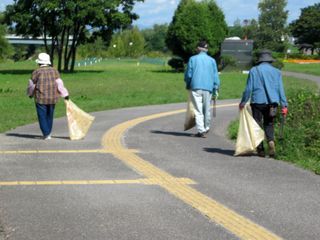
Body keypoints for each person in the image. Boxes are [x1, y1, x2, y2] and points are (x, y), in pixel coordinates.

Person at [239, 50, 288, 157]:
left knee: (257, 125)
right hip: (272, 102)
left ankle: (260, 149)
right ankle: (271, 141)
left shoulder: (254, 70)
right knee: (269, 123)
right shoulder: (277, 72)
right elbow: (281, 90)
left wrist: (243, 102)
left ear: (260, 60)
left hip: (257, 102)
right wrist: (284, 105)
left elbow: (248, 89)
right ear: (270, 60)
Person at [27, 53, 69, 140]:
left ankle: (46, 133)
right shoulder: (55, 71)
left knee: (42, 116)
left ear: (39, 63)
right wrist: (65, 95)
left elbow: (32, 85)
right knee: (50, 115)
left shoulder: (36, 72)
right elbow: (59, 84)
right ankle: (48, 132)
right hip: (53, 98)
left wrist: (31, 94)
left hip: (40, 98)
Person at [184, 40, 220, 138]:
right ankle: (206, 127)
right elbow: (215, 75)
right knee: (206, 109)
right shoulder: (212, 60)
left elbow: (188, 74)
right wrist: (216, 87)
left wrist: (187, 83)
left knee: (198, 109)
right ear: (206, 49)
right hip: (208, 87)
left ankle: (201, 130)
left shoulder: (192, 59)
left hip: (195, 86)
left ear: (198, 48)